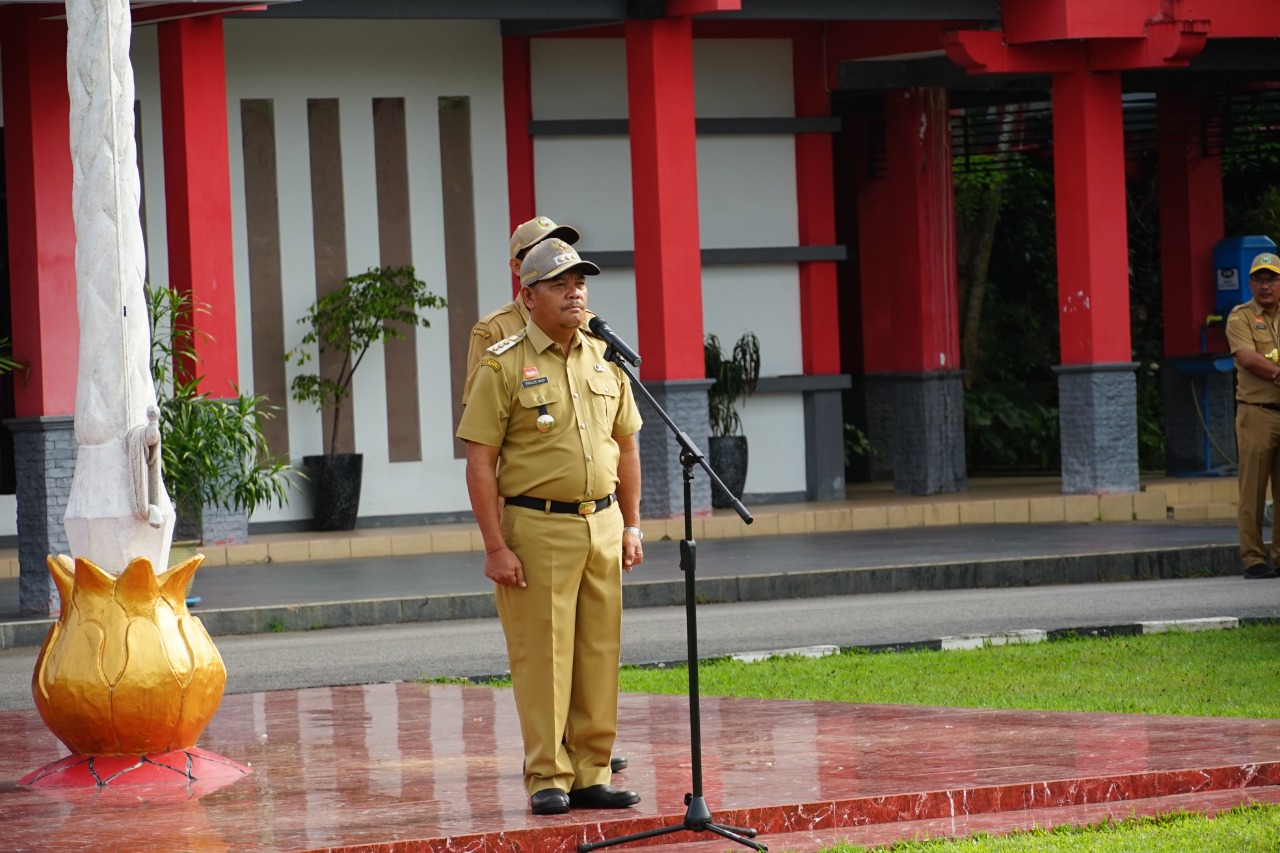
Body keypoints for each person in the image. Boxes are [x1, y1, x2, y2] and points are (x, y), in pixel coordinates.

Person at [456, 237, 645, 816]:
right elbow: (481, 461)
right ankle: (547, 775)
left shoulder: (604, 359)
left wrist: (632, 525)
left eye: (580, 283)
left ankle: (591, 772)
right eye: (561, 284)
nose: (575, 292)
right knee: (545, 656)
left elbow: (627, 445)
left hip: (602, 524)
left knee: (598, 652)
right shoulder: (503, 361)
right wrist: (494, 545)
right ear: (528, 294)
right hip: (538, 527)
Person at [462, 215, 596, 406]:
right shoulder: (493, 329)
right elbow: (479, 414)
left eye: (558, 245)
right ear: (517, 266)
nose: (554, 255)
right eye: (540, 249)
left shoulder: (590, 324)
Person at [1226, 251, 1280, 580]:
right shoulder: (1240, 316)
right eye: (1259, 280)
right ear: (1249, 283)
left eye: (1271, 278)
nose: (1265, 286)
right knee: (1253, 490)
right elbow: (1246, 357)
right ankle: (1253, 558)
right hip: (1256, 414)